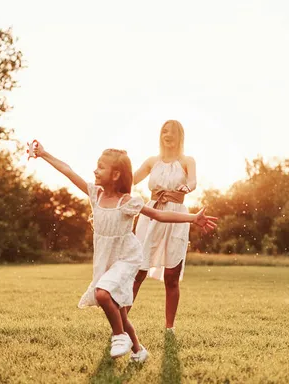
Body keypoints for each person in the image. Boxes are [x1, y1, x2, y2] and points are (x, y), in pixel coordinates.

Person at [34, 141, 216, 361]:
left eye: (101, 167)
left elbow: (160, 215)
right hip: (106, 260)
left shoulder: (127, 202)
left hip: (126, 259)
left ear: (116, 174)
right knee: (120, 312)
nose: (95, 170)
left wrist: (193, 218)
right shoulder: (96, 195)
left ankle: (119, 336)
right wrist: (43, 154)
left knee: (102, 294)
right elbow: (68, 171)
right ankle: (139, 350)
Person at [132, 120, 196, 332]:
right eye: (164, 131)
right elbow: (131, 180)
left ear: (180, 136)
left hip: (176, 215)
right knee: (138, 271)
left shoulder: (187, 161)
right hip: (151, 215)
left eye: (172, 131)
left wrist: (187, 187)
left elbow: (194, 182)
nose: (167, 134)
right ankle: (121, 322)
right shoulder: (152, 161)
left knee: (172, 275)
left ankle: (170, 327)